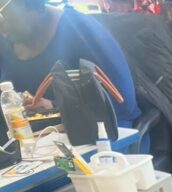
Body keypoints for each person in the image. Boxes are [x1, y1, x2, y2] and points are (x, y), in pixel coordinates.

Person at [0, 0, 140, 125]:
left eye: (2, 13)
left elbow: (122, 103)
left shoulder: (80, 29)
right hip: (28, 142)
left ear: (34, 4)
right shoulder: (5, 41)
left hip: (98, 136)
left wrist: (56, 109)